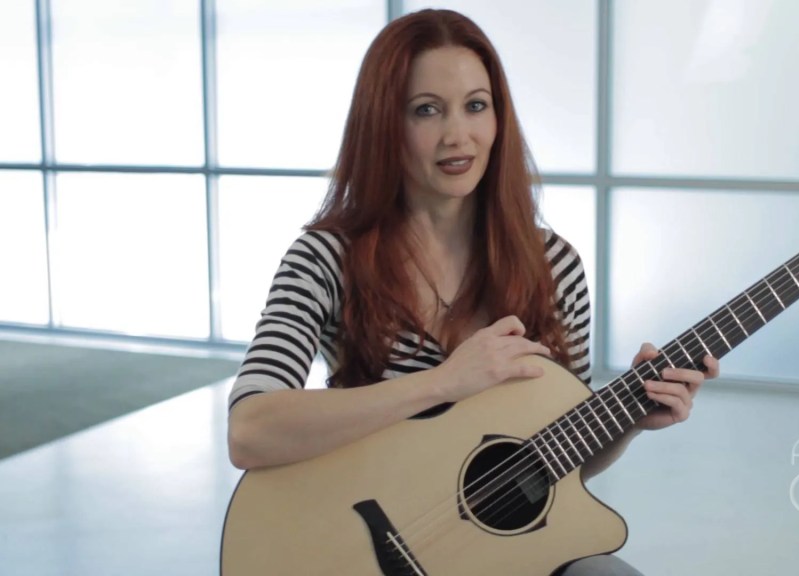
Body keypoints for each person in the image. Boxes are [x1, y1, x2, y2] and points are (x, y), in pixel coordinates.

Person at [226, 8, 719, 576]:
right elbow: (250, 430)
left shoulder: (554, 265)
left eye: (476, 106)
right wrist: (444, 382)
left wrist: (629, 418)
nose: (457, 135)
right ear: (383, 124)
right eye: (426, 110)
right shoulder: (326, 257)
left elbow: (555, 462)